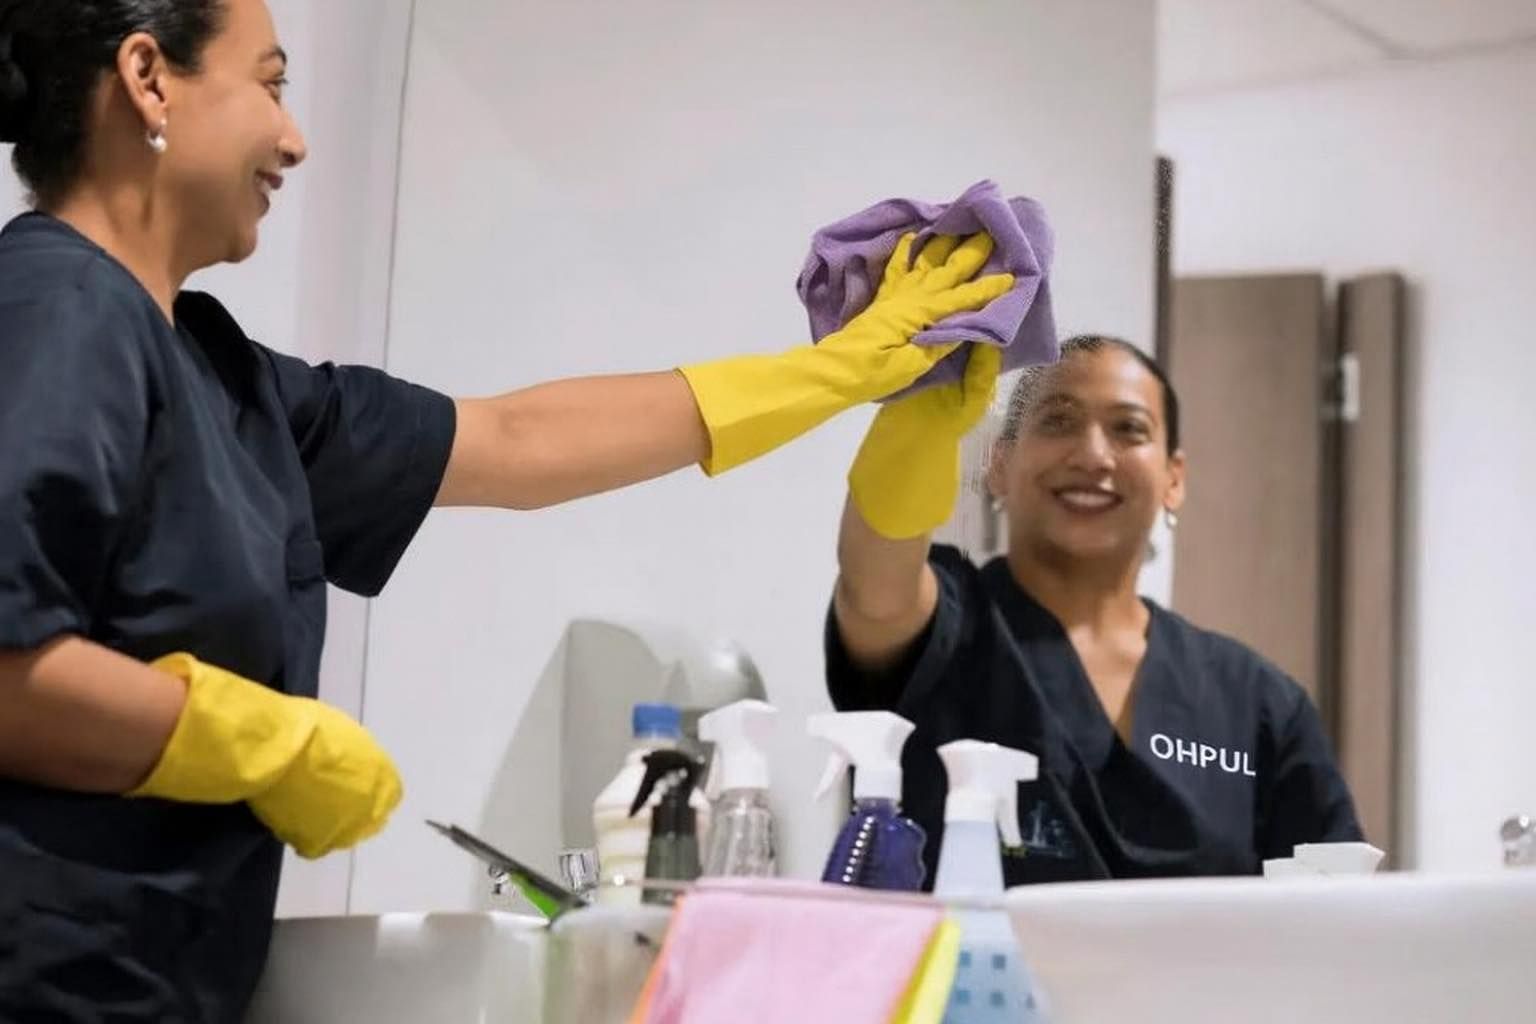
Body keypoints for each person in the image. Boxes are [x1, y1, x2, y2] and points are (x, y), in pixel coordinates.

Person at [0, 0, 1016, 1016]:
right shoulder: (60, 310)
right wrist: (254, 739)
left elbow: (513, 443)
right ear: (147, 77)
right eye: (269, 83)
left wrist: (834, 373)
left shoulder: (216, 372)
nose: (295, 137)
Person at [827, 333, 1362, 889]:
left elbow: (1331, 906)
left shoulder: (1258, 703)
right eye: (1058, 421)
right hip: (973, 975)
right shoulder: (944, 627)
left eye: (1128, 428)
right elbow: (874, 585)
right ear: (1000, 464)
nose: (1092, 455)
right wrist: (918, 410)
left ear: (1173, 479)